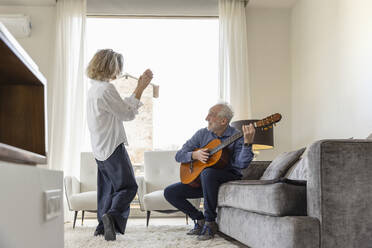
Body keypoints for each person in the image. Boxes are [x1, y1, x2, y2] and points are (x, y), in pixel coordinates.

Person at [86, 49, 153, 241]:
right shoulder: (106, 89)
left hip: (99, 149)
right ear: (109, 67)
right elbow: (127, 114)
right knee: (128, 187)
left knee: (107, 190)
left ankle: (102, 227)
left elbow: (119, 107)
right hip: (112, 146)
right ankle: (111, 216)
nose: (119, 71)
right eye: (117, 66)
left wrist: (139, 88)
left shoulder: (94, 89)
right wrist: (141, 88)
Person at [164, 103, 255, 241]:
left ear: (223, 121)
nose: (206, 118)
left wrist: (248, 143)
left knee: (208, 172)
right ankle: (199, 220)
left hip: (226, 178)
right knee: (170, 192)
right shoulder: (202, 134)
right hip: (203, 182)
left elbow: (241, 164)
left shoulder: (237, 136)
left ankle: (210, 222)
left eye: (211, 115)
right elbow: (179, 155)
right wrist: (194, 155)